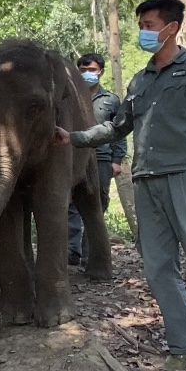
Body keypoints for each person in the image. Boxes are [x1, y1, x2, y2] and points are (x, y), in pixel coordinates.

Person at [54, 0, 186, 371]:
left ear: (172, 27)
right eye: (141, 26)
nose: (143, 33)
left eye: (148, 26)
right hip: (146, 182)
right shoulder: (140, 80)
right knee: (159, 266)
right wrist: (74, 136)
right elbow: (118, 127)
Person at [67, 53, 127, 266]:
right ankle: (71, 252)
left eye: (91, 70)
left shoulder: (111, 100)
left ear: (101, 71)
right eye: (82, 70)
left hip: (101, 157)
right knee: (70, 204)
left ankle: (89, 254)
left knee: (96, 204)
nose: (87, 74)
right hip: (72, 155)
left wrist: (117, 160)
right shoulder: (69, 98)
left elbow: (119, 130)